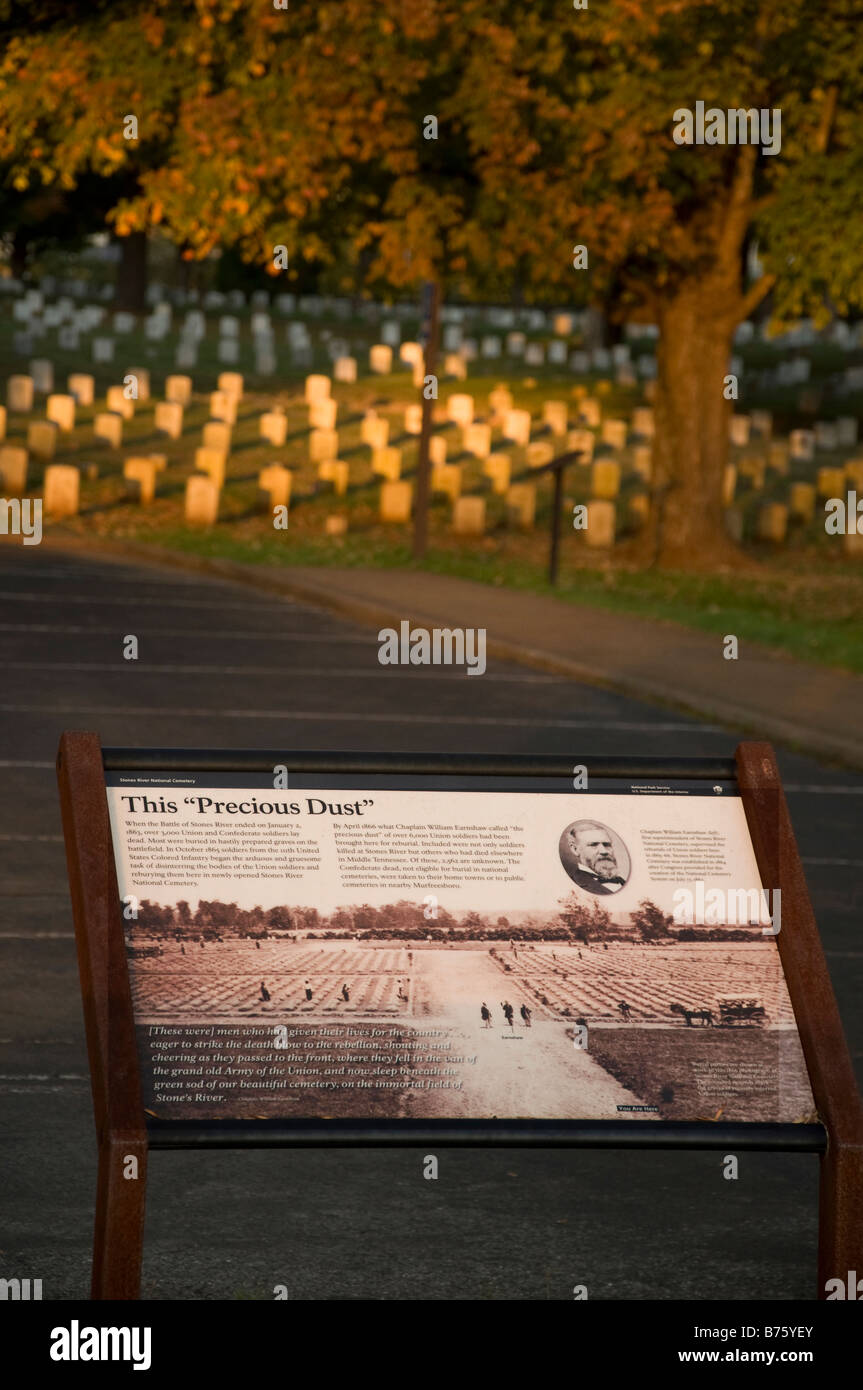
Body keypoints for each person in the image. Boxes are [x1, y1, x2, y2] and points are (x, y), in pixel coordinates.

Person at [562, 822, 627, 895]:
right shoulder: (570, 886)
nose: (604, 851)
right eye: (593, 845)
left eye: (607, 845)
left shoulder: (624, 882)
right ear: (575, 849)